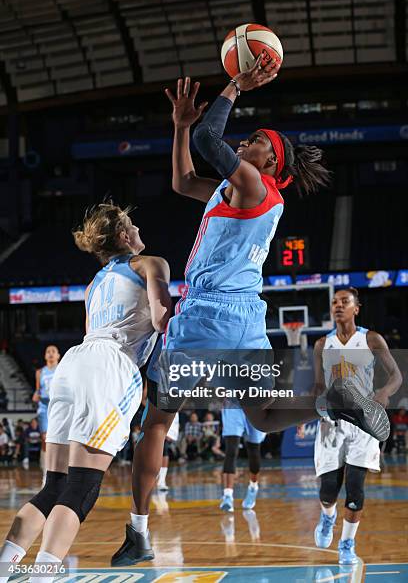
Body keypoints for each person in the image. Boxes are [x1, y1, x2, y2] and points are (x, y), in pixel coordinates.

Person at [112, 64, 389, 565]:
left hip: (205, 317)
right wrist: (178, 127)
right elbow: (182, 181)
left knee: (157, 421)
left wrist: (235, 86)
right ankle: (335, 400)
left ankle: (139, 532)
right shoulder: (232, 189)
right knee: (262, 412)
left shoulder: (257, 187)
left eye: (258, 140)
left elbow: (209, 136)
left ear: (273, 163)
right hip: (244, 317)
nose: (246, 143)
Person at [0, 201, 171, 582]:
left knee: (54, 486)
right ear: (125, 236)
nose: (139, 228)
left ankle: (3, 567)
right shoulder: (152, 263)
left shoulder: (94, 284)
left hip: (71, 365)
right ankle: (44, 574)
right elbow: (162, 320)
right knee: (82, 486)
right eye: (132, 224)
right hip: (111, 367)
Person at [312, 288, 402, 565]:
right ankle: (327, 518)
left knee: (354, 487)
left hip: (363, 422)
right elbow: (318, 385)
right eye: (335, 302)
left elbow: (396, 376)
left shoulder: (371, 339)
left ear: (356, 308)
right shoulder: (321, 345)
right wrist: (318, 402)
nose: (338, 306)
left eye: (345, 302)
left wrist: (385, 392)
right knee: (328, 491)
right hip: (332, 423)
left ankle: (347, 544)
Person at [220, 404, 265, 512]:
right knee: (231, 450)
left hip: (255, 404)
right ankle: (228, 496)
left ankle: (253, 487)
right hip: (233, 405)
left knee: (253, 451)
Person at [32, 345, 61, 473]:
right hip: (44, 407)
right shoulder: (40, 372)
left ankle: (59, 467)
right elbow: (38, 390)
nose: (50, 353)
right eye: (48, 351)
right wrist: (36, 394)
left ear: (58, 356)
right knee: (45, 438)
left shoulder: (62, 369)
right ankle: (46, 469)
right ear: (45, 356)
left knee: (59, 438)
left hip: (59, 407)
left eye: (53, 351)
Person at [157, 412, 179, 491]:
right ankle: (159, 480)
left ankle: (161, 481)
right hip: (156, 429)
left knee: (164, 454)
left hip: (165, 432)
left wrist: (171, 434)